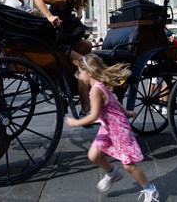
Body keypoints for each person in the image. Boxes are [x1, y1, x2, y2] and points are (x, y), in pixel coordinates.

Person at [66, 54, 159, 201]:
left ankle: (150, 189)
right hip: (108, 128)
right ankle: (112, 172)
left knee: (129, 165)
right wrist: (127, 112)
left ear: (89, 72)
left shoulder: (96, 90)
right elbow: (114, 101)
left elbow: (94, 115)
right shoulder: (100, 86)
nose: (79, 76)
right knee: (93, 155)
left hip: (119, 130)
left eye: (80, 72)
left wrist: (75, 123)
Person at [33, 0, 92, 117]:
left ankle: (70, 73)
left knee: (88, 45)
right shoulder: (62, 0)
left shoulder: (70, 4)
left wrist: (78, 11)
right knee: (86, 66)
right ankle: (86, 108)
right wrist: (49, 16)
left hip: (63, 40)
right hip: (58, 45)